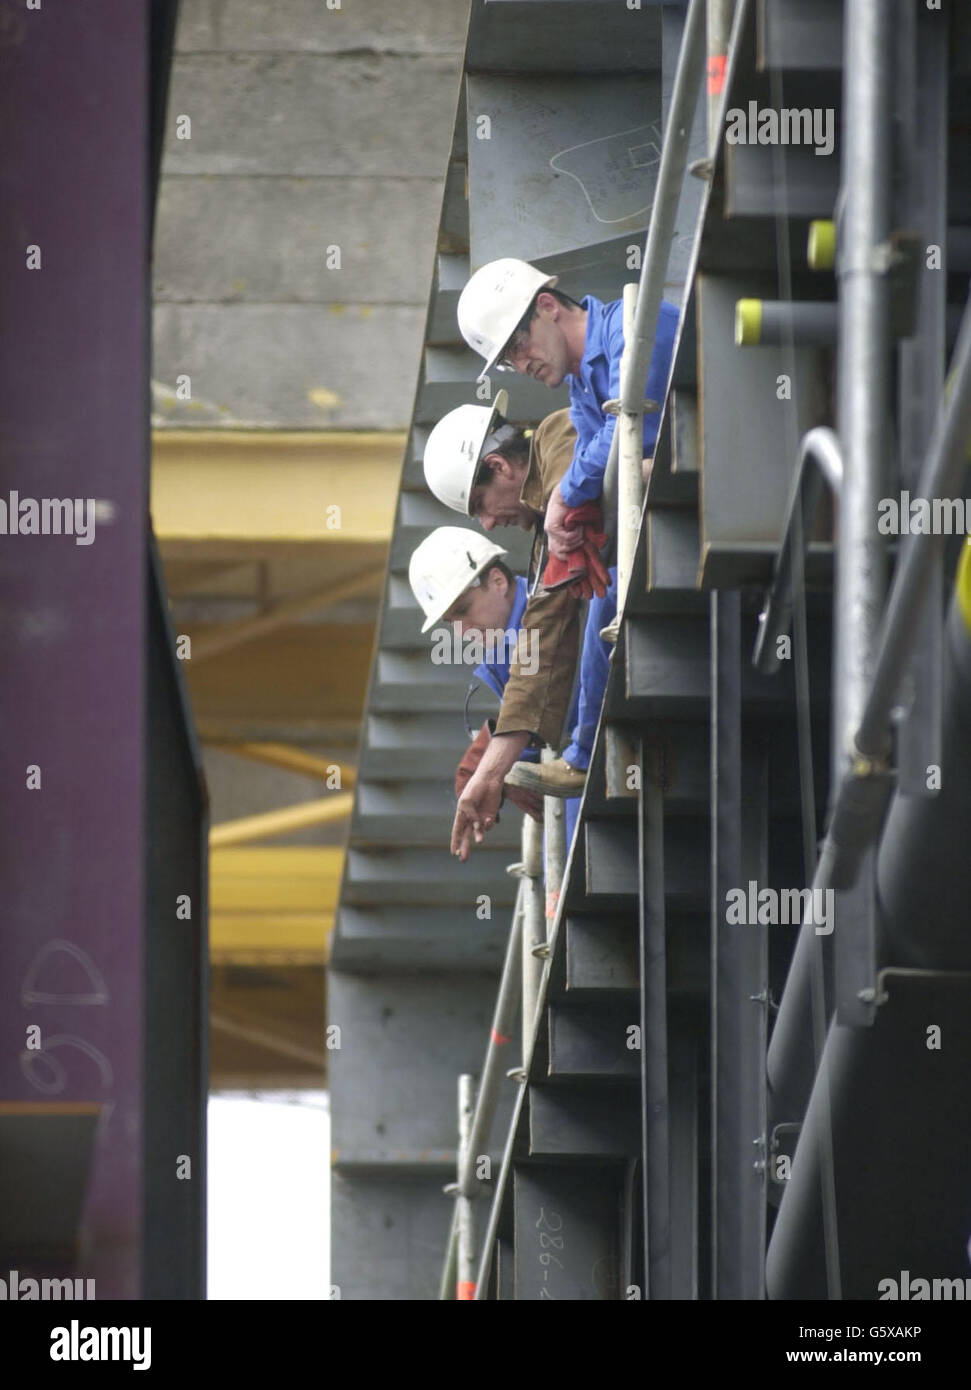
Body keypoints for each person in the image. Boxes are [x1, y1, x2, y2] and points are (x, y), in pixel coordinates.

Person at [454, 256, 678, 800]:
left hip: (726, 473)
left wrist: (565, 496)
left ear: (548, 307)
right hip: (684, 495)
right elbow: (604, 441)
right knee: (604, 587)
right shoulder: (581, 393)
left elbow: (635, 424)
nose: (518, 361)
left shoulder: (634, 322)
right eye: (506, 359)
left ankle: (582, 757)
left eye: (516, 344)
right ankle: (580, 756)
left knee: (606, 592)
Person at [423, 399, 586, 860]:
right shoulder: (541, 554)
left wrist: (494, 766)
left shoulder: (558, 435)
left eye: (481, 506)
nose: (490, 522)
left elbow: (543, 650)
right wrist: (498, 765)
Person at [407, 526, 581, 850]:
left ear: (498, 581)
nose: (460, 632)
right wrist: (506, 772)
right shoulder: (502, 649)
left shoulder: (549, 603)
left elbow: (540, 699)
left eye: (463, 610)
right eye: (450, 622)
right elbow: (539, 724)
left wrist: (493, 771)